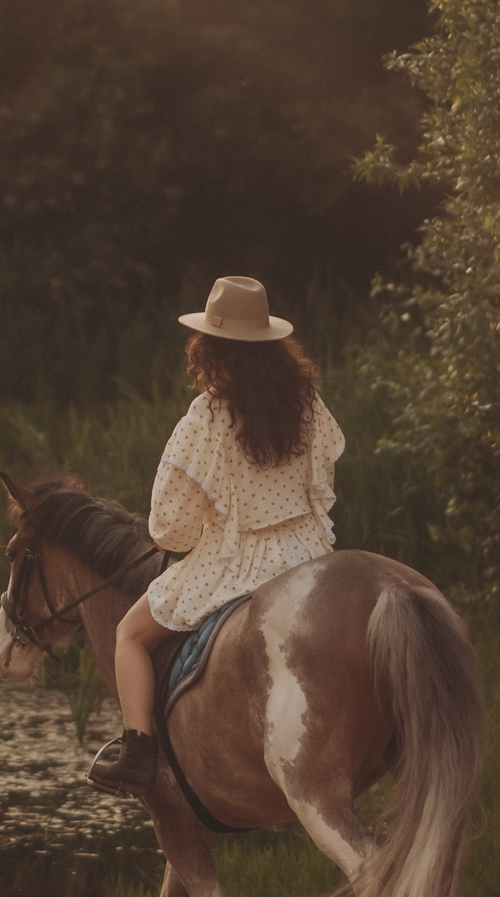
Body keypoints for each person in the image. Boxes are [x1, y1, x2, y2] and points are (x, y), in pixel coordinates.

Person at [89, 276, 343, 796]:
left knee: (129, 636)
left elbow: (171, 530)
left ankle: (138, 753)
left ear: (210, 347)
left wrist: (193, 529)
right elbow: (322, 490)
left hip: (237, 563)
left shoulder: (208, 415)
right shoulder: (307, 403)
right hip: (308, 559)